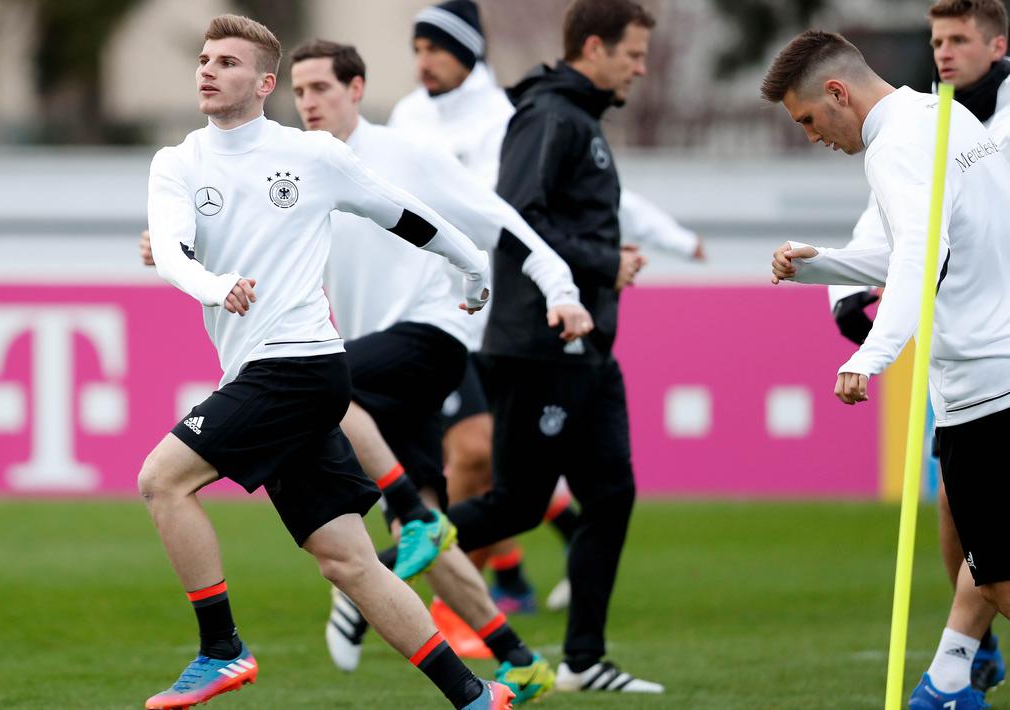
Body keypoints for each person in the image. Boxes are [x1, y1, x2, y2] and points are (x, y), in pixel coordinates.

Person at [140, 14, 513, 710]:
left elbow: (406, 214)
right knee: (348, 560)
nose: (207, 70)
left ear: (262, 82)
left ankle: (221, 648)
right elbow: (169, 249)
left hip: (299, 365)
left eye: (226, 61)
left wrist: (470, 269)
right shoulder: (179, 162)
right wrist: (215, 283)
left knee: (161, 480)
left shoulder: (312, 155)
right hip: (266, 373)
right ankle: (473, 696)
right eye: (203, 59)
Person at [287, 39, 592, 703]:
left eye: (321, 88)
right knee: (428, 529)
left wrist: (559, 288)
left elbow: (500, 219)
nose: (308, 101)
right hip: (377, 369)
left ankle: (398, 533)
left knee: (316, 383)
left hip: (430, 336)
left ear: (357, 88)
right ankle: (517, 659)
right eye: (299, 90)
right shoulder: (300, 170)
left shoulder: (407, 156)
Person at [389, 0, 704, 617]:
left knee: (512, 471)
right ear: (594, 50)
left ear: (469, 51)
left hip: (507, 320)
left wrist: (668, 241)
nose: (423, 62)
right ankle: (423, 581)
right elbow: (513, 214)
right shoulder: (414, 118)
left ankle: (488, 615)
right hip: (443, 315)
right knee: (503, 478)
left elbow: (564, 210)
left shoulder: (510, 114)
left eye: (437, 48)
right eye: (418, 49)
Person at [763, 28, 1010, 710]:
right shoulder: (939, 116)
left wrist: (871, 356)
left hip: (985, 384)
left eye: (809, 119)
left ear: (837, 92)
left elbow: (918, 259)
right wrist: (822, 269)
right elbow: (920, 246)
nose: (812, 135)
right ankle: (953, 681)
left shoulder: (895, 145)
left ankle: (951, 682)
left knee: (993, 578)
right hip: (992, 371)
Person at [443, 0, 664, 694]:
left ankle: (582, 661)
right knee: (513, 504)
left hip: (585, 346)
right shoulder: (549, 117)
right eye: (631, 53)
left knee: (610, 493)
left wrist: (602, 260)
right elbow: (513, 221)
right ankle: (368, 560)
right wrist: (603, 261)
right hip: (540, 345)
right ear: (592, 48)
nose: (640, 66)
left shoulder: (576, 117)